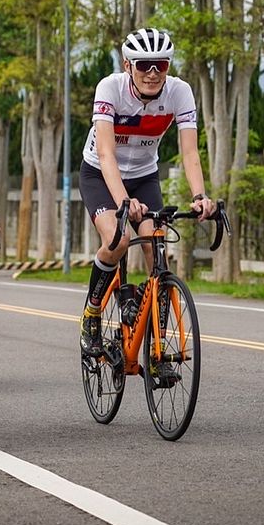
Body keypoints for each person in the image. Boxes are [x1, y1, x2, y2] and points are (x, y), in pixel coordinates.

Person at [78, 28, 216, 357]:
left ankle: (157, 350)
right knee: (118, 239)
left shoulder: (180, 92)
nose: (152, 73)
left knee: (158, 251)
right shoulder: (109, 88)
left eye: (161, 65)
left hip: (143, 176)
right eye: (144, 65)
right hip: (100, 174)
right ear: (128, 65)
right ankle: (92, 313)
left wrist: (200, 196)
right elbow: (107, 154)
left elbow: (190, 153)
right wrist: (124, 202)